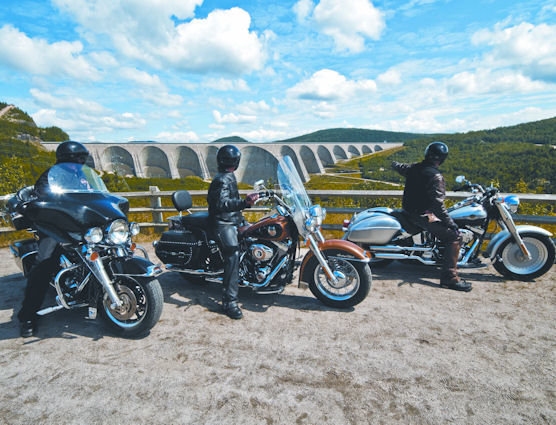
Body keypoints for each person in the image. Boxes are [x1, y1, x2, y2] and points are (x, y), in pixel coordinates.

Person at [18, 141, 91, 337]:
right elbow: (42, 198)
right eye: (78, 158)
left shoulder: (82, 177)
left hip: (81, 226)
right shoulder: (50, 176)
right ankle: (28, 316)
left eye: (83, 158)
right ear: (67, 158)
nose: (81, 162)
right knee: (44, 263)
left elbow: (94, 196)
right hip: (55, 228)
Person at [391, 142, 472, 292]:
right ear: (442, 159)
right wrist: (451, 223)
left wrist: (393, 163)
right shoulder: (436, 177)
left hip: (409, 211)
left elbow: (399, 167)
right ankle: (450, 278)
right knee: (454, 236)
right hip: (424, 215)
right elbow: (438, 206)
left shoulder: (413, 168)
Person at [207, 145, 259, 319]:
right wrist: (244, 203)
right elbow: (221, 204)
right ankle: (229, 302)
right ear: (235, 162)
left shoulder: (227, 176)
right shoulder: (222, 180)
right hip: (222, 222)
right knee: (232, 254)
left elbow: (229, 201)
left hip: (233, 219)